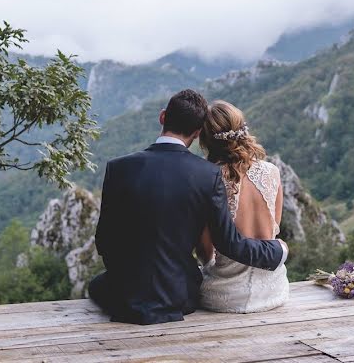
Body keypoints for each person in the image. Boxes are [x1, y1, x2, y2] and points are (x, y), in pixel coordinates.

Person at [89, 89, 287, 325]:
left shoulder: (118, 168)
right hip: (179, 295)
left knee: (97, 285)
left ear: (162, 117)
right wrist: (279, 250)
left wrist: (127, 277)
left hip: (124, 294)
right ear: (196, 132)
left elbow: (104, 240)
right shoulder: (206, 175)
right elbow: (228, 243)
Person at [197, 100, 289, 312]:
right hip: (274, 290)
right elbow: (274, 228)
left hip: (225, 295)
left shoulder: (207, 179)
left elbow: (205, 251)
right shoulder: (272, 172)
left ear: (205, 139)